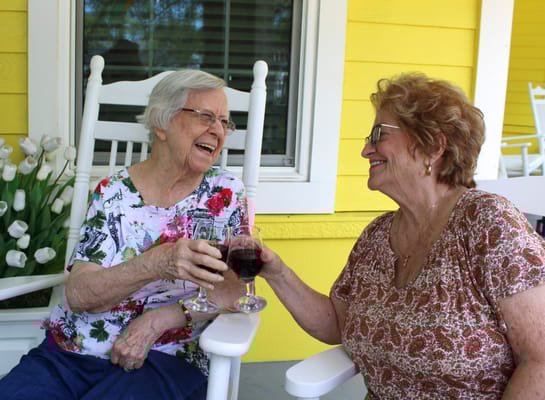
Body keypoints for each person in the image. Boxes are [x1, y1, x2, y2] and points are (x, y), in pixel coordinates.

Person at [260, 72, 545, 399]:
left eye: (378, 134)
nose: (366, 150)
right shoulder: (376, 238)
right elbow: (336, 324)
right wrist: (277, 271)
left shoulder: (487, 223)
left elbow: (540, 360)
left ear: (433, 146)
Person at [0, 69, 247, 399]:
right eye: (206, 117)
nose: (217, 130)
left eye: (224, 122)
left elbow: (236, 291)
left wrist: (160, 320)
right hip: (68, 354)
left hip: (165, 358)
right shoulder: (113, 192)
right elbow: (79, 294)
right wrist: (154, 264)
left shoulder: (226, 195)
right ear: (161, 123)